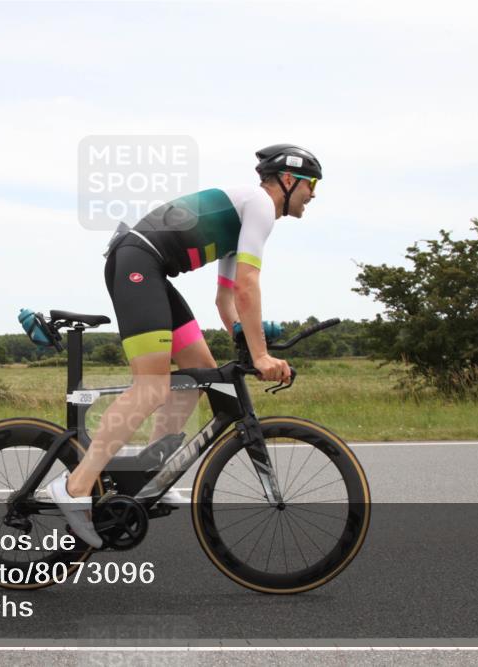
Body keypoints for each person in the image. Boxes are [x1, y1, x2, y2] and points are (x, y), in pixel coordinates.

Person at [48, 144, 322, 548]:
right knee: (152, 387)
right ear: (287, 180)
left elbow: (227, 299)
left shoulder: (247, 215)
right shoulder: (261, 206)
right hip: (139, 262)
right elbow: (248, 286)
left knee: (199, 376)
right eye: (311, 184)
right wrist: (261, 354)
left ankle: (153, 470)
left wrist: (246, 342)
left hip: (151, 268)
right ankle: (76, 486)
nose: (313, 194)